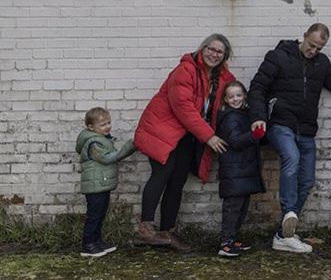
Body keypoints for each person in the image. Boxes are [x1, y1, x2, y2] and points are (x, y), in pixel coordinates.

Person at [248, 22, 331, 253]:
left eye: (318, 48)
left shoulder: (321, 63)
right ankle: (290, 213)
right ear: (304, 36)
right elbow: (258, 87)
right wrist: (258, 116)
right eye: (311, 45)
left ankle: (284, 235)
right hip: (280, 124)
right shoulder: (278, 56)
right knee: (291, 159)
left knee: (307, 180)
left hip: (306, 130)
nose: (313, 51)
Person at [134, 34, 234, 251]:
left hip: (187, 135)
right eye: (211, 49)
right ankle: (145, 230)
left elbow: (236, 94)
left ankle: (167, 232)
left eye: (220, 52)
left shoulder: (222, 78)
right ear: (203, 48)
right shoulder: (185, 70)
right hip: (163, 129)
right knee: (163, 172)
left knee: (177, 180)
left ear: (225, 56)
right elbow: (183, 108)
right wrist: (209, 136)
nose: (214, 54)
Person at [76, 107, 136, 258]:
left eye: (109, 122)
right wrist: (130, 146)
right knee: (94, 216)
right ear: (91, 127)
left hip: (101, 184)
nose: (108, 126)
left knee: (101, 214)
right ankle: (88, 245)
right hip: (95, 186)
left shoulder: (103, 139)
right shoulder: (94, 143)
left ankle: (97, 241)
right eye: (103, 124)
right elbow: (107, 158)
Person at [215, 81, 266, 257]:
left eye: (238, 95)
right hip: (233, 170)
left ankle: (232, 238)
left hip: (242, 170)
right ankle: (225, 243)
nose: (235, 99)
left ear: (244, 95)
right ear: (225, 99)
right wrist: (254, 136)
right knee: (232, 208)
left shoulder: (242, 114)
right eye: (231, 96)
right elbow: (235, 141)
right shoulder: (230, 117)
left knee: (241, 208)